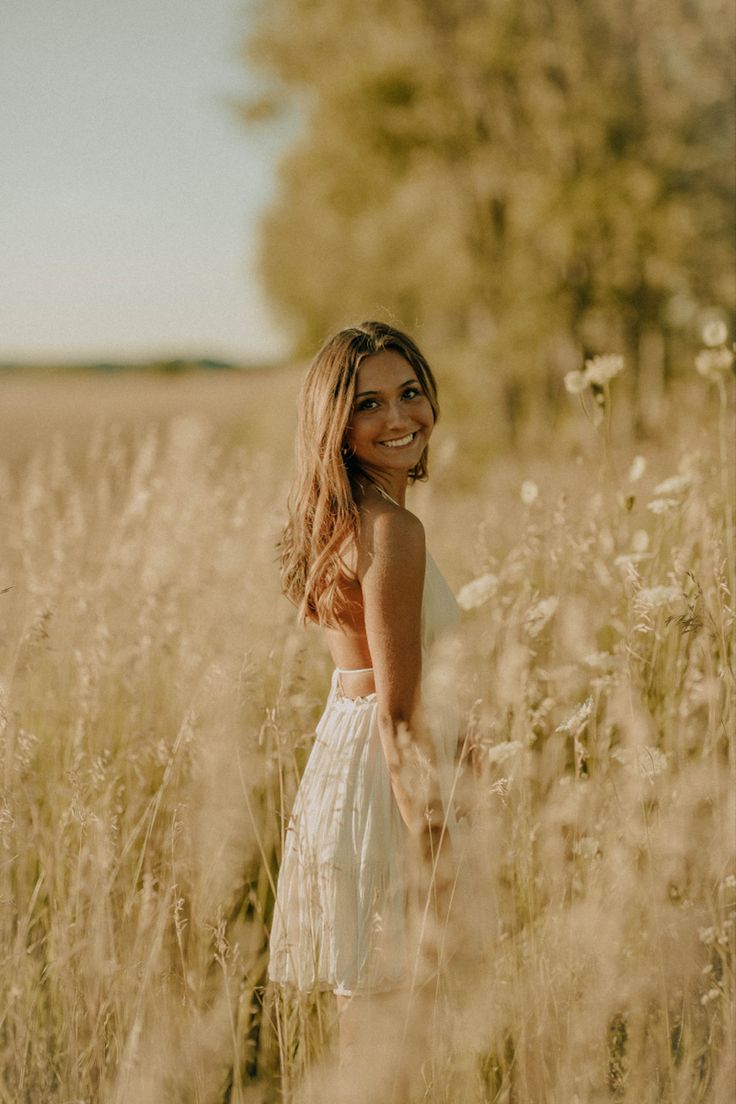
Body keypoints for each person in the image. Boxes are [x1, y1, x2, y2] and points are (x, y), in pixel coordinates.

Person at [267, 321, 463, 1089]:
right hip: (390, 786)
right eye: (369, 403)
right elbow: (399, 713)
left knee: (369, 1031)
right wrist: (434, 845)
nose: (399, 417)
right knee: (395, 1041)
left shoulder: (341, 520)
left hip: (347, 770)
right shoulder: (393, 532)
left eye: (410, 392)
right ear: (337, 426)